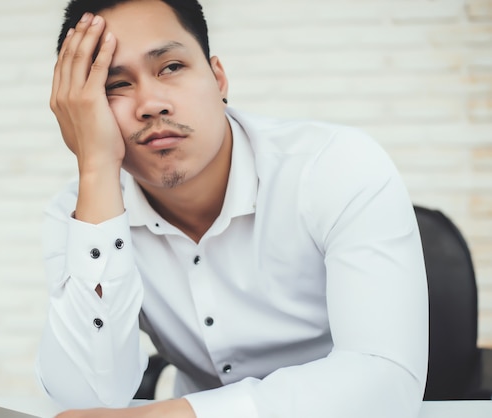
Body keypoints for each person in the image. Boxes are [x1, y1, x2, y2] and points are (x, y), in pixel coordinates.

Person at [36, 0, 429, 417]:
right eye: (115, 85)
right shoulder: (82, 213)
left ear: (218, 77)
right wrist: (96, 168)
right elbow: (84, 401)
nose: (150, 103)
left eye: (170, 67)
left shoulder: (335, 166)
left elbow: (385, 380)